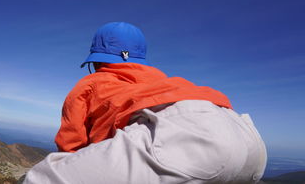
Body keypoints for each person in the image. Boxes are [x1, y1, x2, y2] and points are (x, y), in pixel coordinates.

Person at [24, 22, 267, 184]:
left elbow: (71, 147)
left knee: (37, 179)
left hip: (181, 136)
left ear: (96, 60)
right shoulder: (157, 78)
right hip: (246, 136)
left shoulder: (91, 83)